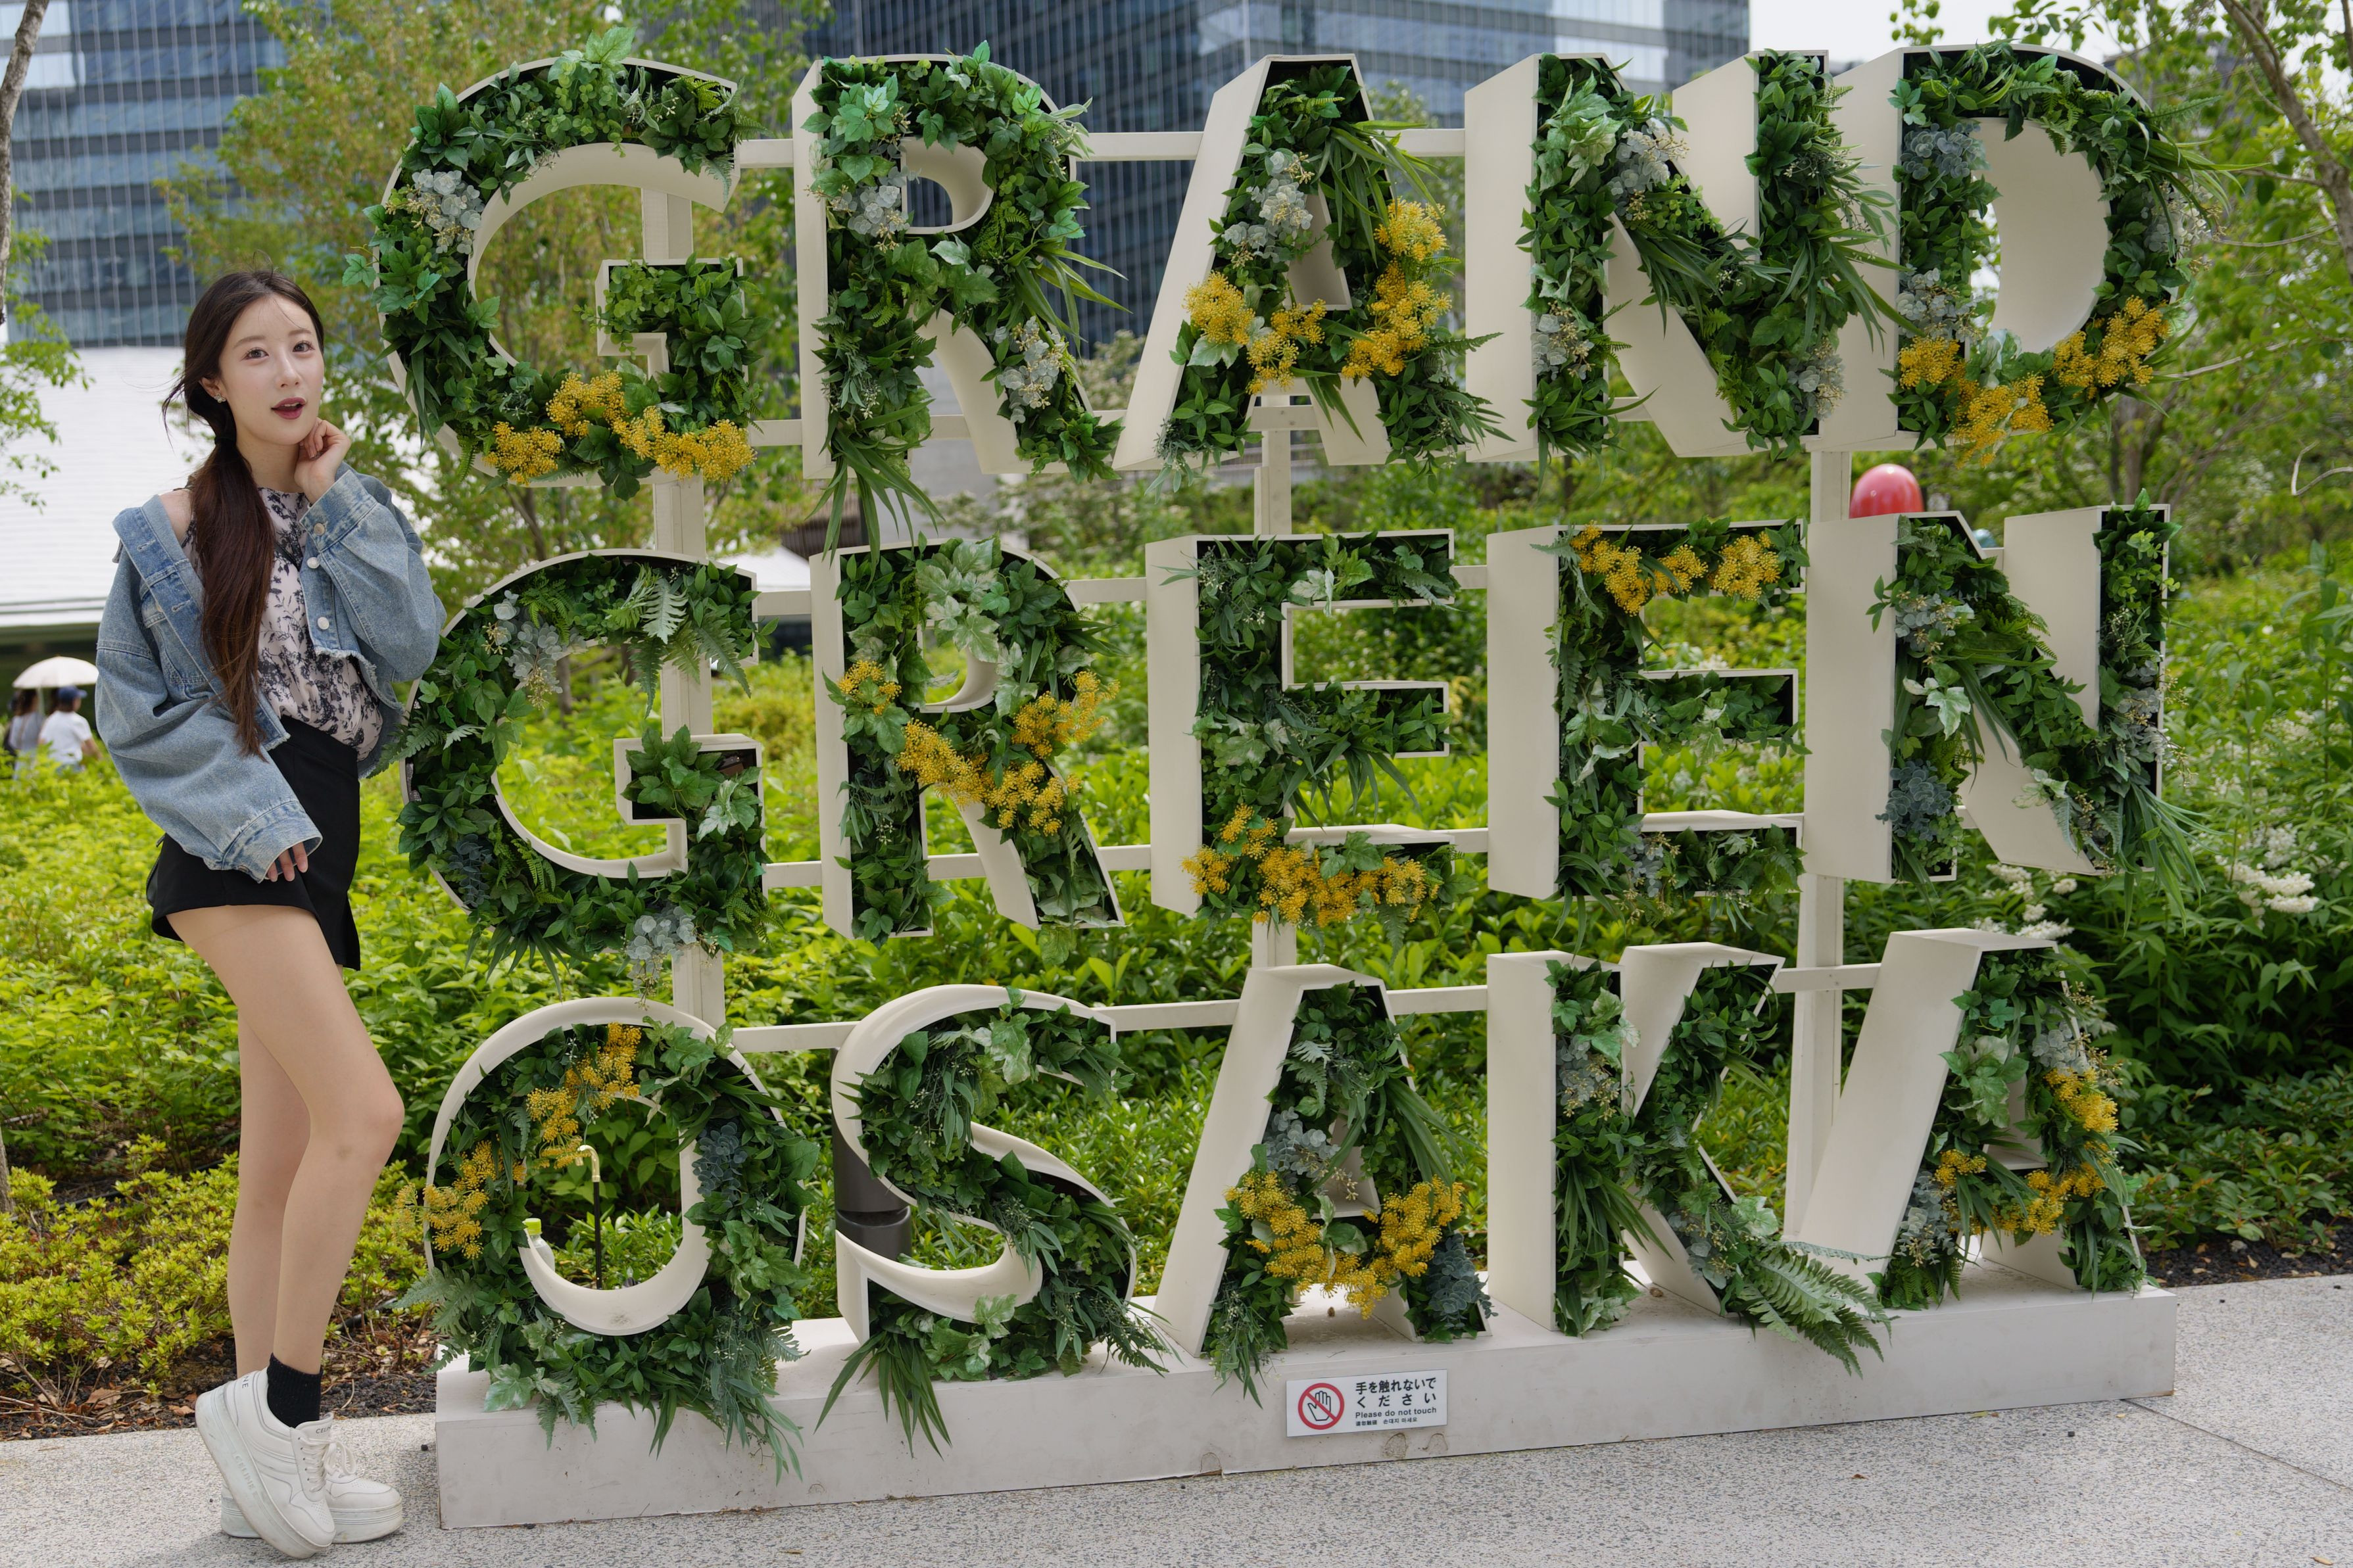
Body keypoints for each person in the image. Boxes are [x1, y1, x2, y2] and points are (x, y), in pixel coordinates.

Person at [94, 271, 443, 1559]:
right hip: (240, 846)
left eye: (302, 345)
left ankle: (265, 1477)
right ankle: (284, 1413)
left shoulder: (350, 507)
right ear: (212, 381)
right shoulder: (165, 532)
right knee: (367, 1114)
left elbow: (412, 645)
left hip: (317, 844)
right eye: (257, 353)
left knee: (280, 1171)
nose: (288, 371)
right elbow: (138, 717)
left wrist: (335, 498)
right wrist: (252, 820)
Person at [36, 686, 97, 772]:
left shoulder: (50, 719)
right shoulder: (78, 721)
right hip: (72, 766)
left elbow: (41, 743)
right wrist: (102, 762)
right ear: (75, 701)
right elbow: (92, 748)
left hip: (54, 766)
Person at [3, 688, 39, 768]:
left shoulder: (16, 720)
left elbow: (13, 743)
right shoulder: (39, 719)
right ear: (34, 700)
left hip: (21, 760)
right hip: (36, 759)